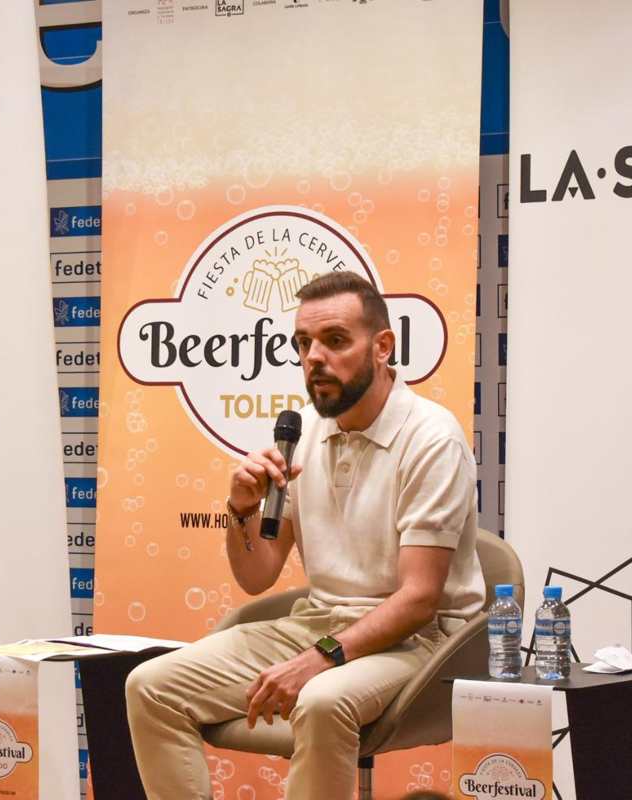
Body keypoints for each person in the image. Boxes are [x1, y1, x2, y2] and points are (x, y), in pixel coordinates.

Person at [125, 271, 484, 800]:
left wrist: (318, 658)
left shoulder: (431, 438)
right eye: (303, 343)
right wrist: (240, 511)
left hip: (423, 644)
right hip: (321, 623)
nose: (314, 357)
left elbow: (419, 600)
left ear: (382, 346)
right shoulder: (306, 432)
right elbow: (257, 575)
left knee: (320, 699)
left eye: (335, 340)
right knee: (150, 686)